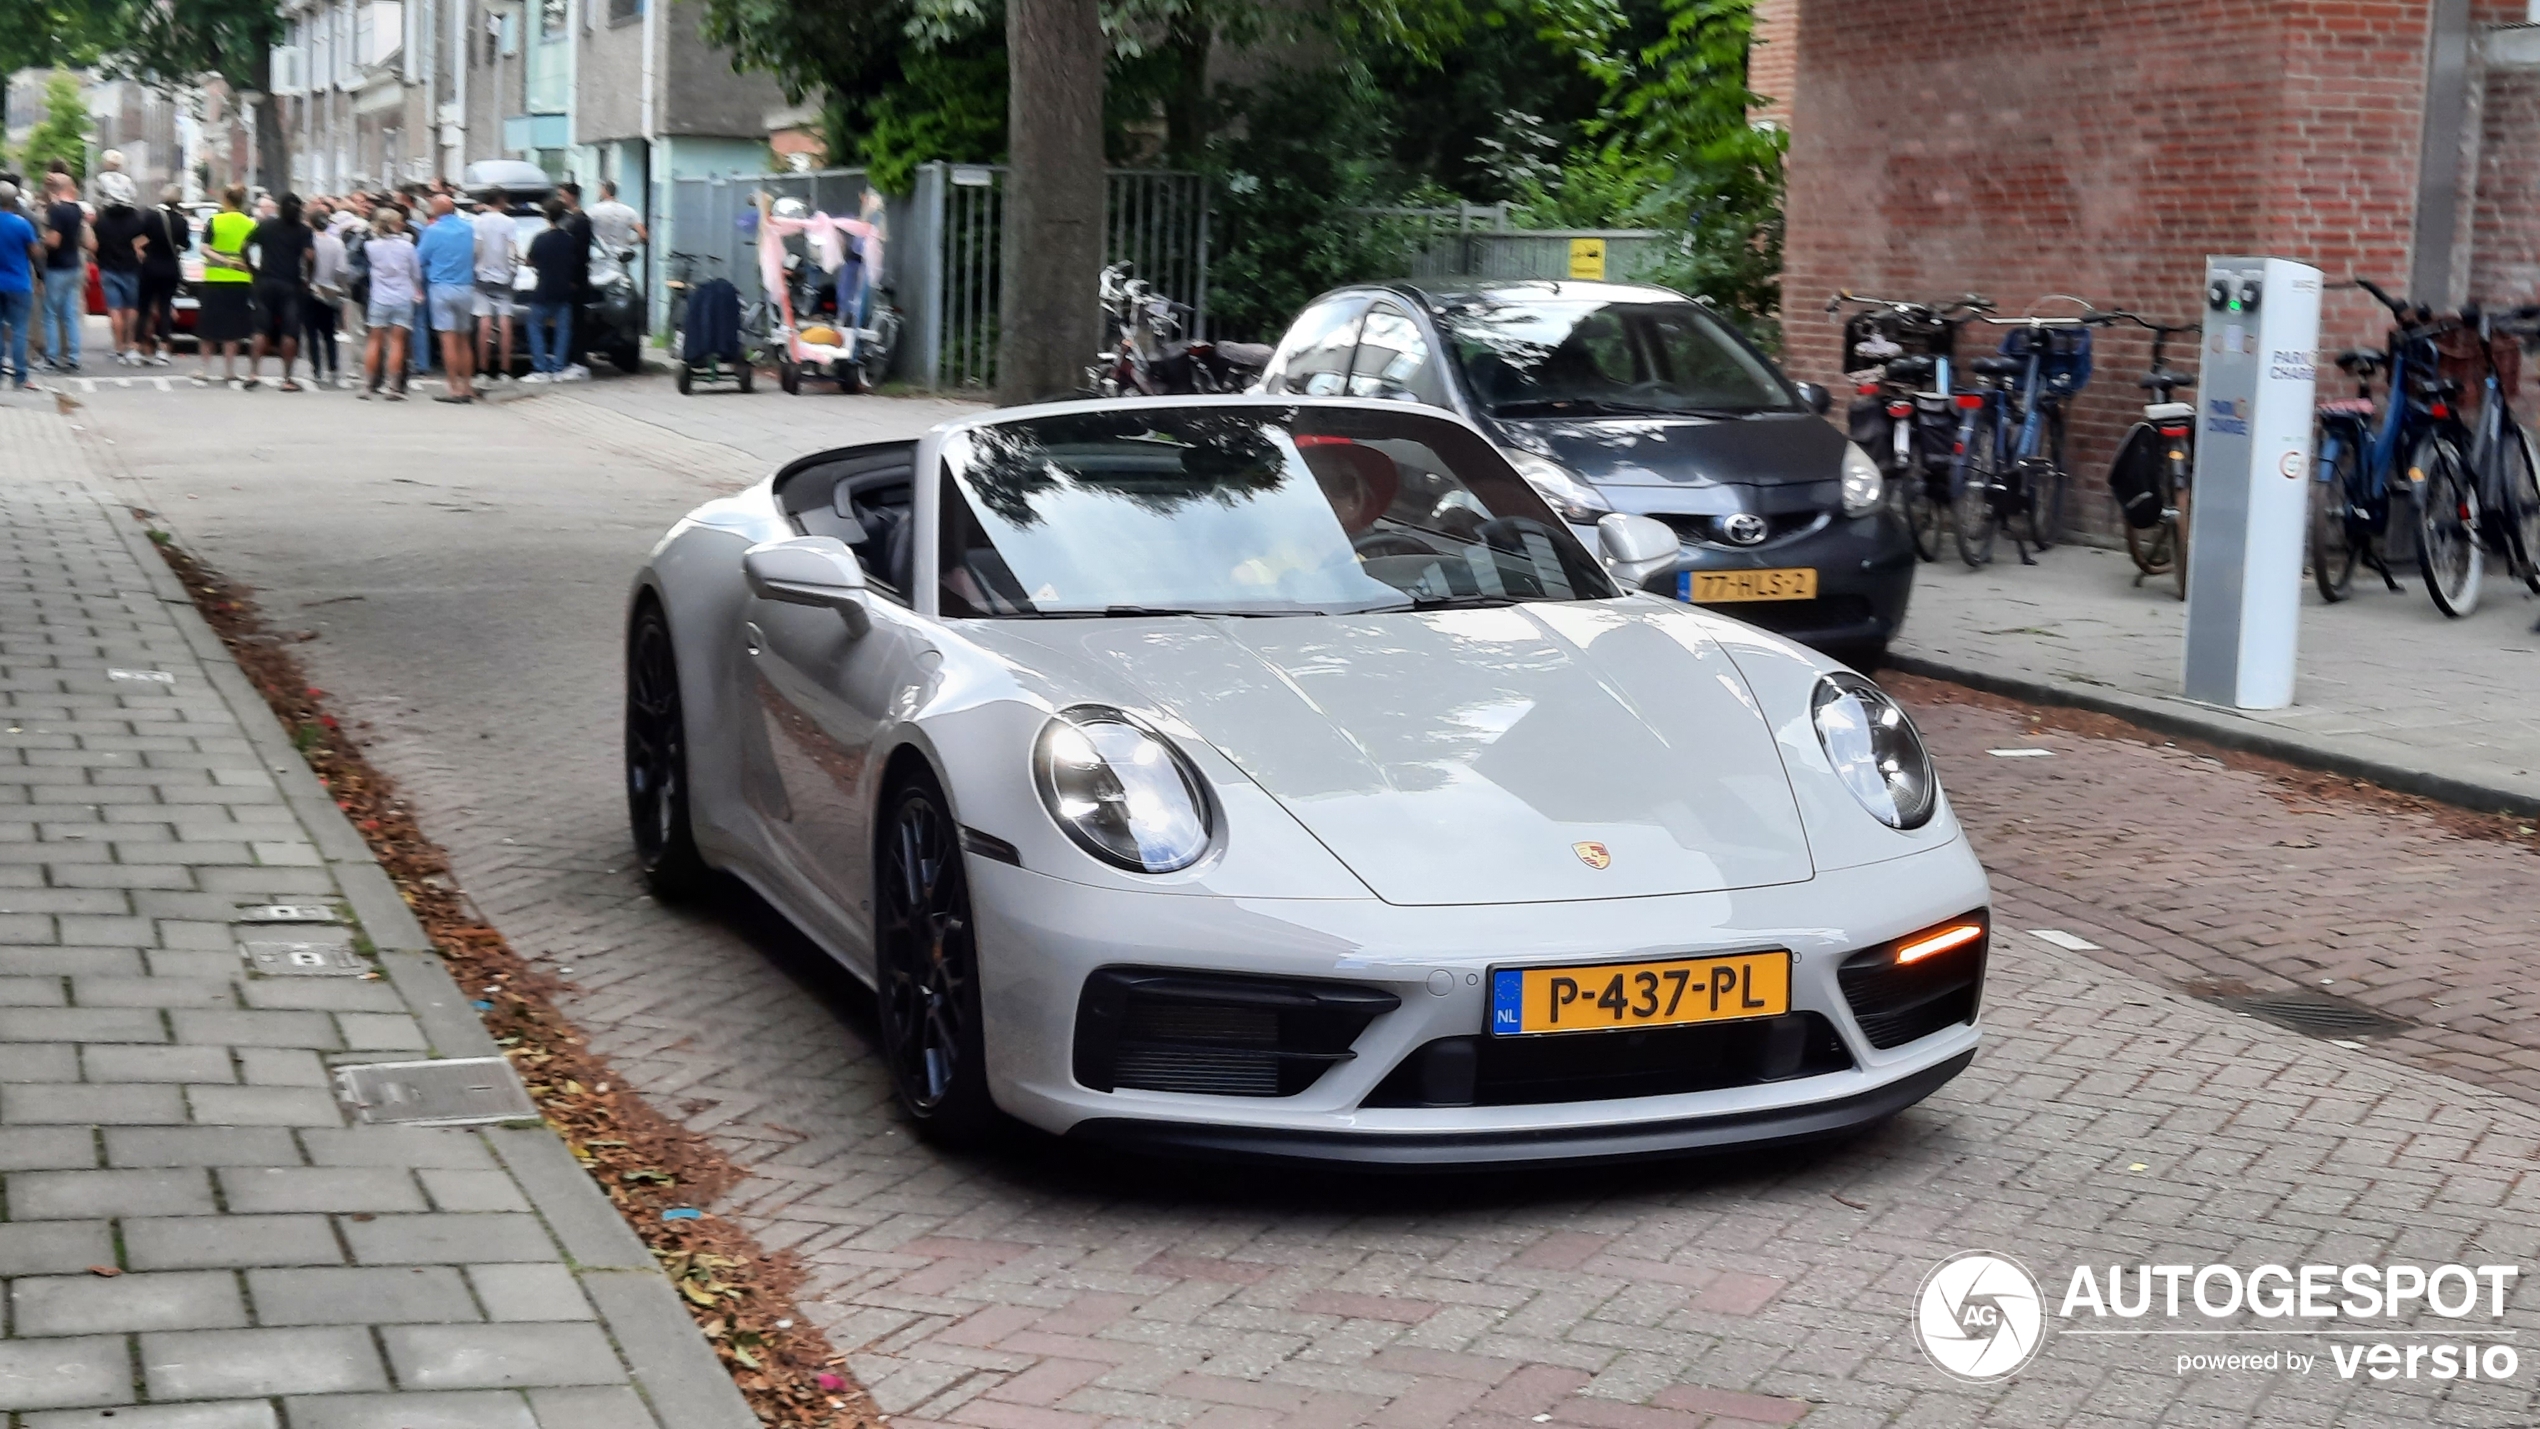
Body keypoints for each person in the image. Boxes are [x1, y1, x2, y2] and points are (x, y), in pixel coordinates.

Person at [247, 192, 315, 391]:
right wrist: (308, 279)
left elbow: (244, 246)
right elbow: (309, 257)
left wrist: (253, 270)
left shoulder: (266, 226)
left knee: (261, 328)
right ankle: (287, 377)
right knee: (290, 330)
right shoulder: (303, 231)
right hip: (290, 284)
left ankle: (253, 372)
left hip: (266, 281)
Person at [415, 193, 478, 402]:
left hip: (441, 287)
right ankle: (468, 385)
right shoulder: (468, 228)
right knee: (464, 339)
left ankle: (454, 388)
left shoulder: (432, 231)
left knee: (448, 340)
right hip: (466, 287)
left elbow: (419, 259)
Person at [193, 185, 257, 387]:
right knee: (234, 326)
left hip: (215, 279)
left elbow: (204, 248)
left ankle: (204, 368)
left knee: (209, 325)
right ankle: (230, 370)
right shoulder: (251, 224)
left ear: (225, 200)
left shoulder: (214, 221)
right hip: (241, 280)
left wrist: (223, 261)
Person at [359, 207, 419, 400]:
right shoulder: (407, 247)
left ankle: (367, 385)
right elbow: (415, 273)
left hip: (379, 297)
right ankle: (393, 386)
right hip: (402, 296)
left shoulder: (372, 247)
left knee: (374, 341)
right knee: (397, 342)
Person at [91, 172, 148, 365]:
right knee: (132, 307)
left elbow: (94, 244)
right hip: (132, 267)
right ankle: (131, 342)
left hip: (108, 267)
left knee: (114, 309)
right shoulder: (137, 218)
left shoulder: (101, 220)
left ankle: (118, 346)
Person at [38, 169, 92, 372]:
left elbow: (54, 240)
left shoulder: (56, 210)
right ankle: (73, 357)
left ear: (55, 189)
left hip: (57, 266)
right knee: (70, 313)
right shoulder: (77, 209)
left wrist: (41, 240)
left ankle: (51, 357)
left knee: (51, 313)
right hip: (74, 265)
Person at [523, 200, 578, 382]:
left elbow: (530, 261)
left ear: (546, 217)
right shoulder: (570, 240)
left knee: (535, 327)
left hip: (543, 289)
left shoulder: (540, 239)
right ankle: (558, 367)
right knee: (563, 331)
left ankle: (541, 367)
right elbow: (575, 263)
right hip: (564, 291)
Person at [135, 185, 188, 366]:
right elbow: (186, 244)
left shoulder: (150, 216)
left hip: (149, 267)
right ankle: (163, 350)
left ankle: (139, 346)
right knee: (165, 308)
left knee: (144, 308)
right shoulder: (181, 220)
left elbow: (139, 235)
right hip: (170, 268)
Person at [472, 188, 518, 384]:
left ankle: (482, 369)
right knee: (505, 322)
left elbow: (476, 248)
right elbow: (513, 250)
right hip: (504, 278)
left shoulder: (477, 222)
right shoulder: (510, 223)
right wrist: (513, 271)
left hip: (482, 276)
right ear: (502, 200)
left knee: (484, 323)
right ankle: (505, 370)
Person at [553, 182, 593, 381]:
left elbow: (579, 254)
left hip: (576, 279)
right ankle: (573, 360)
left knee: (578, 321)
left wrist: (574, 279)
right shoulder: (569, 219)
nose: (561, 199)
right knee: (570, 321)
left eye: (562, 195)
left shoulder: (580, 221)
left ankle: (579, 362)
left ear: (572, 196)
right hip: (570, 278)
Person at [0, 183, 38, 389]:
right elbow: (35, 252)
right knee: (19, 330)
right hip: (18, 282)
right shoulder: (22, 224)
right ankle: (20, 376)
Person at [306, 199, 346, 387]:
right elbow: (342, 269)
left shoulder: (308, 242)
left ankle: (316, 369)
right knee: (329, 333)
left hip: (310, 289)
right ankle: (333, 368)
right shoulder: (337, 244)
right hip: (330, 290)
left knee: (311, 332)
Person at [588, 179, 645, 251]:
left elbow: (583, 229)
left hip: (599, 255)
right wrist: (629, 242)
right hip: (620, 255)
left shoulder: (594, 210)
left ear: (604, 191)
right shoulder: (629, 211)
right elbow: (643, 235)